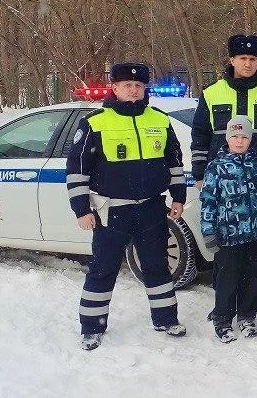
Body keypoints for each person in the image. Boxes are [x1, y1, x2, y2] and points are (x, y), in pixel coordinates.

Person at [67, 63, 187, 351]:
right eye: (127, 85)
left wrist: (179, 197)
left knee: (157, 266)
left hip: (151, 208)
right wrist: (81, 209)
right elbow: (77, 170)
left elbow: (174, 162)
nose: (133, 90)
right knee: (103, 269)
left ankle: (166, 319)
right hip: (112, 211)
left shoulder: (160, 120)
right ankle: (92, 327)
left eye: (138, 86)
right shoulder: (95, 122)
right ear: (115, 88)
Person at [199, 116, 257, 343]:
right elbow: (208, 201)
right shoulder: (216, 167)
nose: (239, 141)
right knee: (228, 280)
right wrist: (208, 231)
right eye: (235, 136)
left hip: (256, 234)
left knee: (252, 278)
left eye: (244, 137)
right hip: (228, 236)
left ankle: (246, 316)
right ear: (227, 138)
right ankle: (222, 319)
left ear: (250, 139)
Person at [191, 33, 257, 187]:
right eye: (243, 58)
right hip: (220, 178)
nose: (248, 64)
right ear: (232, 60)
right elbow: (200, 136)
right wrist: (199, 173)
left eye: (252, 59)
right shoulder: (211, 93)